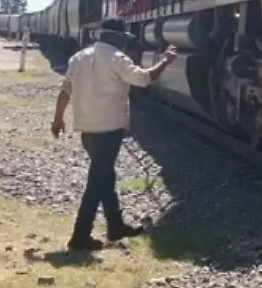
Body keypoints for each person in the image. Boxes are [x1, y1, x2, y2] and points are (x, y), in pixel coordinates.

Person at [50, 19, 179, 251]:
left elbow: (65, 90)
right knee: (97, 181)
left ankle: (115, 225)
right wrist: (166, 61)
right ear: (119, 38)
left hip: (87, 129)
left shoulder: (79, 58)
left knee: (105, 176)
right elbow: (144, 79)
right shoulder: (117, 59)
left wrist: (58, 118)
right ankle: (80, 236)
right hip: (109, 129)